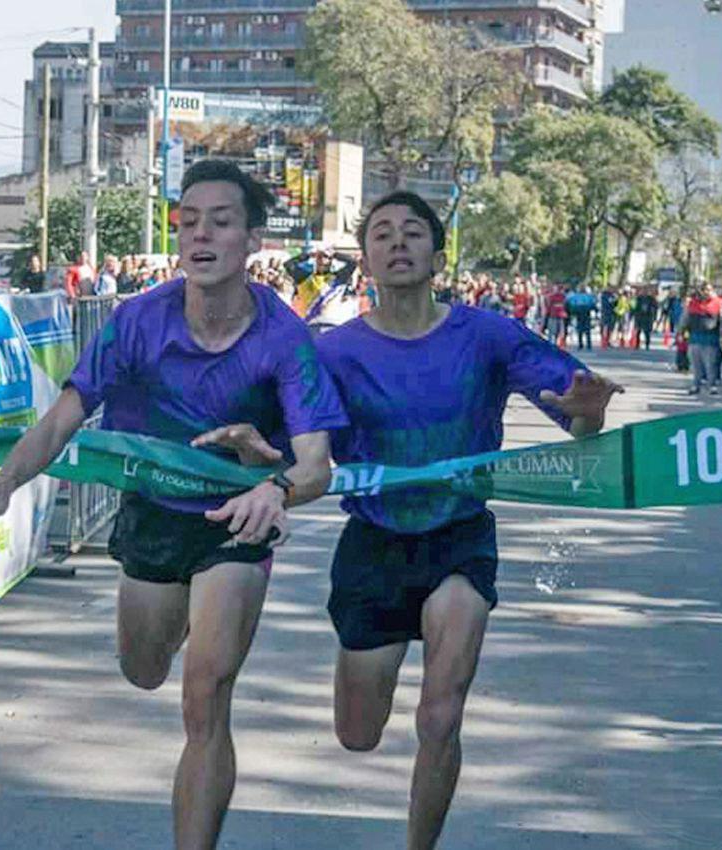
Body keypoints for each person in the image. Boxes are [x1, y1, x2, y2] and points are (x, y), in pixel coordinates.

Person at [0, 160, 347, 850]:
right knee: (144, 669)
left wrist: (272, 484)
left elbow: (316, 466)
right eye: (188, 222)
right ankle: (180, 619)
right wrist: (2, 482)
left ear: (251, 241)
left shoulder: (285, 339)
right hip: (153, 517)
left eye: (220, 222)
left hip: (236, 523)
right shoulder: (135, 321)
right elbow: (64, 417)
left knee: (205, 693)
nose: (201, 235)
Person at [200, 191, 621, 850]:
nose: (398, 243)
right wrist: (263, 455)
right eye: (383, 234)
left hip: (459, 538)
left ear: (437, 251)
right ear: (366, 258)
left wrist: (590, 410)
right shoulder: (335, 353)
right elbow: (301, 456)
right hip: (374, 545)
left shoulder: (487, 335)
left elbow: (578, 420)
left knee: (440, 716)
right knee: (358, 733)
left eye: (414, 232)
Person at [681, 282, 722, 396]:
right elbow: (685, 319)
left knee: (710, 364)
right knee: (696, 365)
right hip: (695, 339)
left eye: (708, 289)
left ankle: (712, 385)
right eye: (704, 289)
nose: (706, 292)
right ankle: (696, 385)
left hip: (711, 340)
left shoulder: (718, 303)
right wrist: (681, 332)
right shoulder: (692, 303)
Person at [565, 284, 596, 351]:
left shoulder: (575, 296)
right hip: (586, 312)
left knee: (580, 329)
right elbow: (593, 304)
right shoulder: (588, 296)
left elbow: (570, 303)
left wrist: (571, 312)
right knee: (587, 329)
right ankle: (588, 345)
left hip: (578, 313)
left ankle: (580, 345)